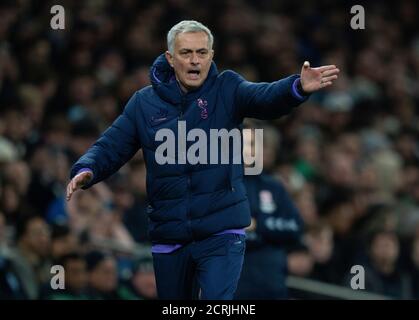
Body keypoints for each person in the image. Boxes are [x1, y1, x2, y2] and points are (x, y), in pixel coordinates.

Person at [66, 20, 339, 299]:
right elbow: (112, 144)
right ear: (170, 58)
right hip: (169, 234)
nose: (195, 60)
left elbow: (264, 97)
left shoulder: (228, 88)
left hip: (222, 230)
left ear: (211, 55)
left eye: (202, 52)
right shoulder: (143, 103)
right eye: (186, 53)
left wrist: (296, 87)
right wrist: (88, 167)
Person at [235, 125, 304, 299]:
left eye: (252, 144)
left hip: (270, 284)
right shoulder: (212, 184)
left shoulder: (273, 186)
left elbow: (295, 227)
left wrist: (259, 225)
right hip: (230, 282)